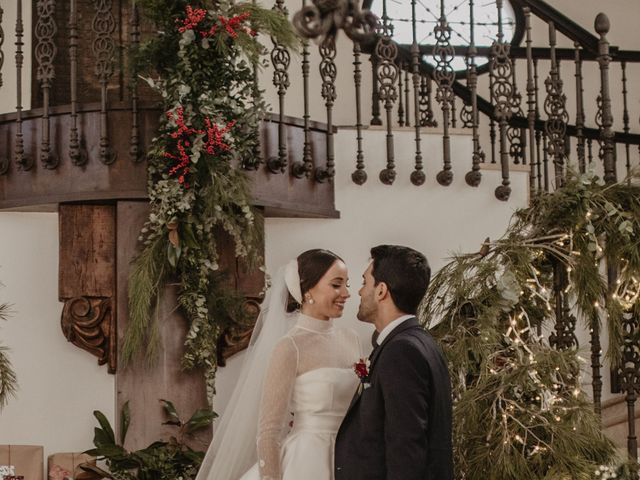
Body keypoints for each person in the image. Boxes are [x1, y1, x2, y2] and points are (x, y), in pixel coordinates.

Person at [196, 249, 362, 480]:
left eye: (347, 284)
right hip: (305, 462)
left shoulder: (351, 339)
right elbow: (269, 431)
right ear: (307, 291)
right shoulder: (290, 347)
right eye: (336, 285)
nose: (346, 293)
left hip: (352, 458)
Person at [335, 244, 454, 480]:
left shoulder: (402, 351)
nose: (359, 292)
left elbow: (406, 446)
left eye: (364, 282)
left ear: (381, 291)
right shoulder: (418, 342)